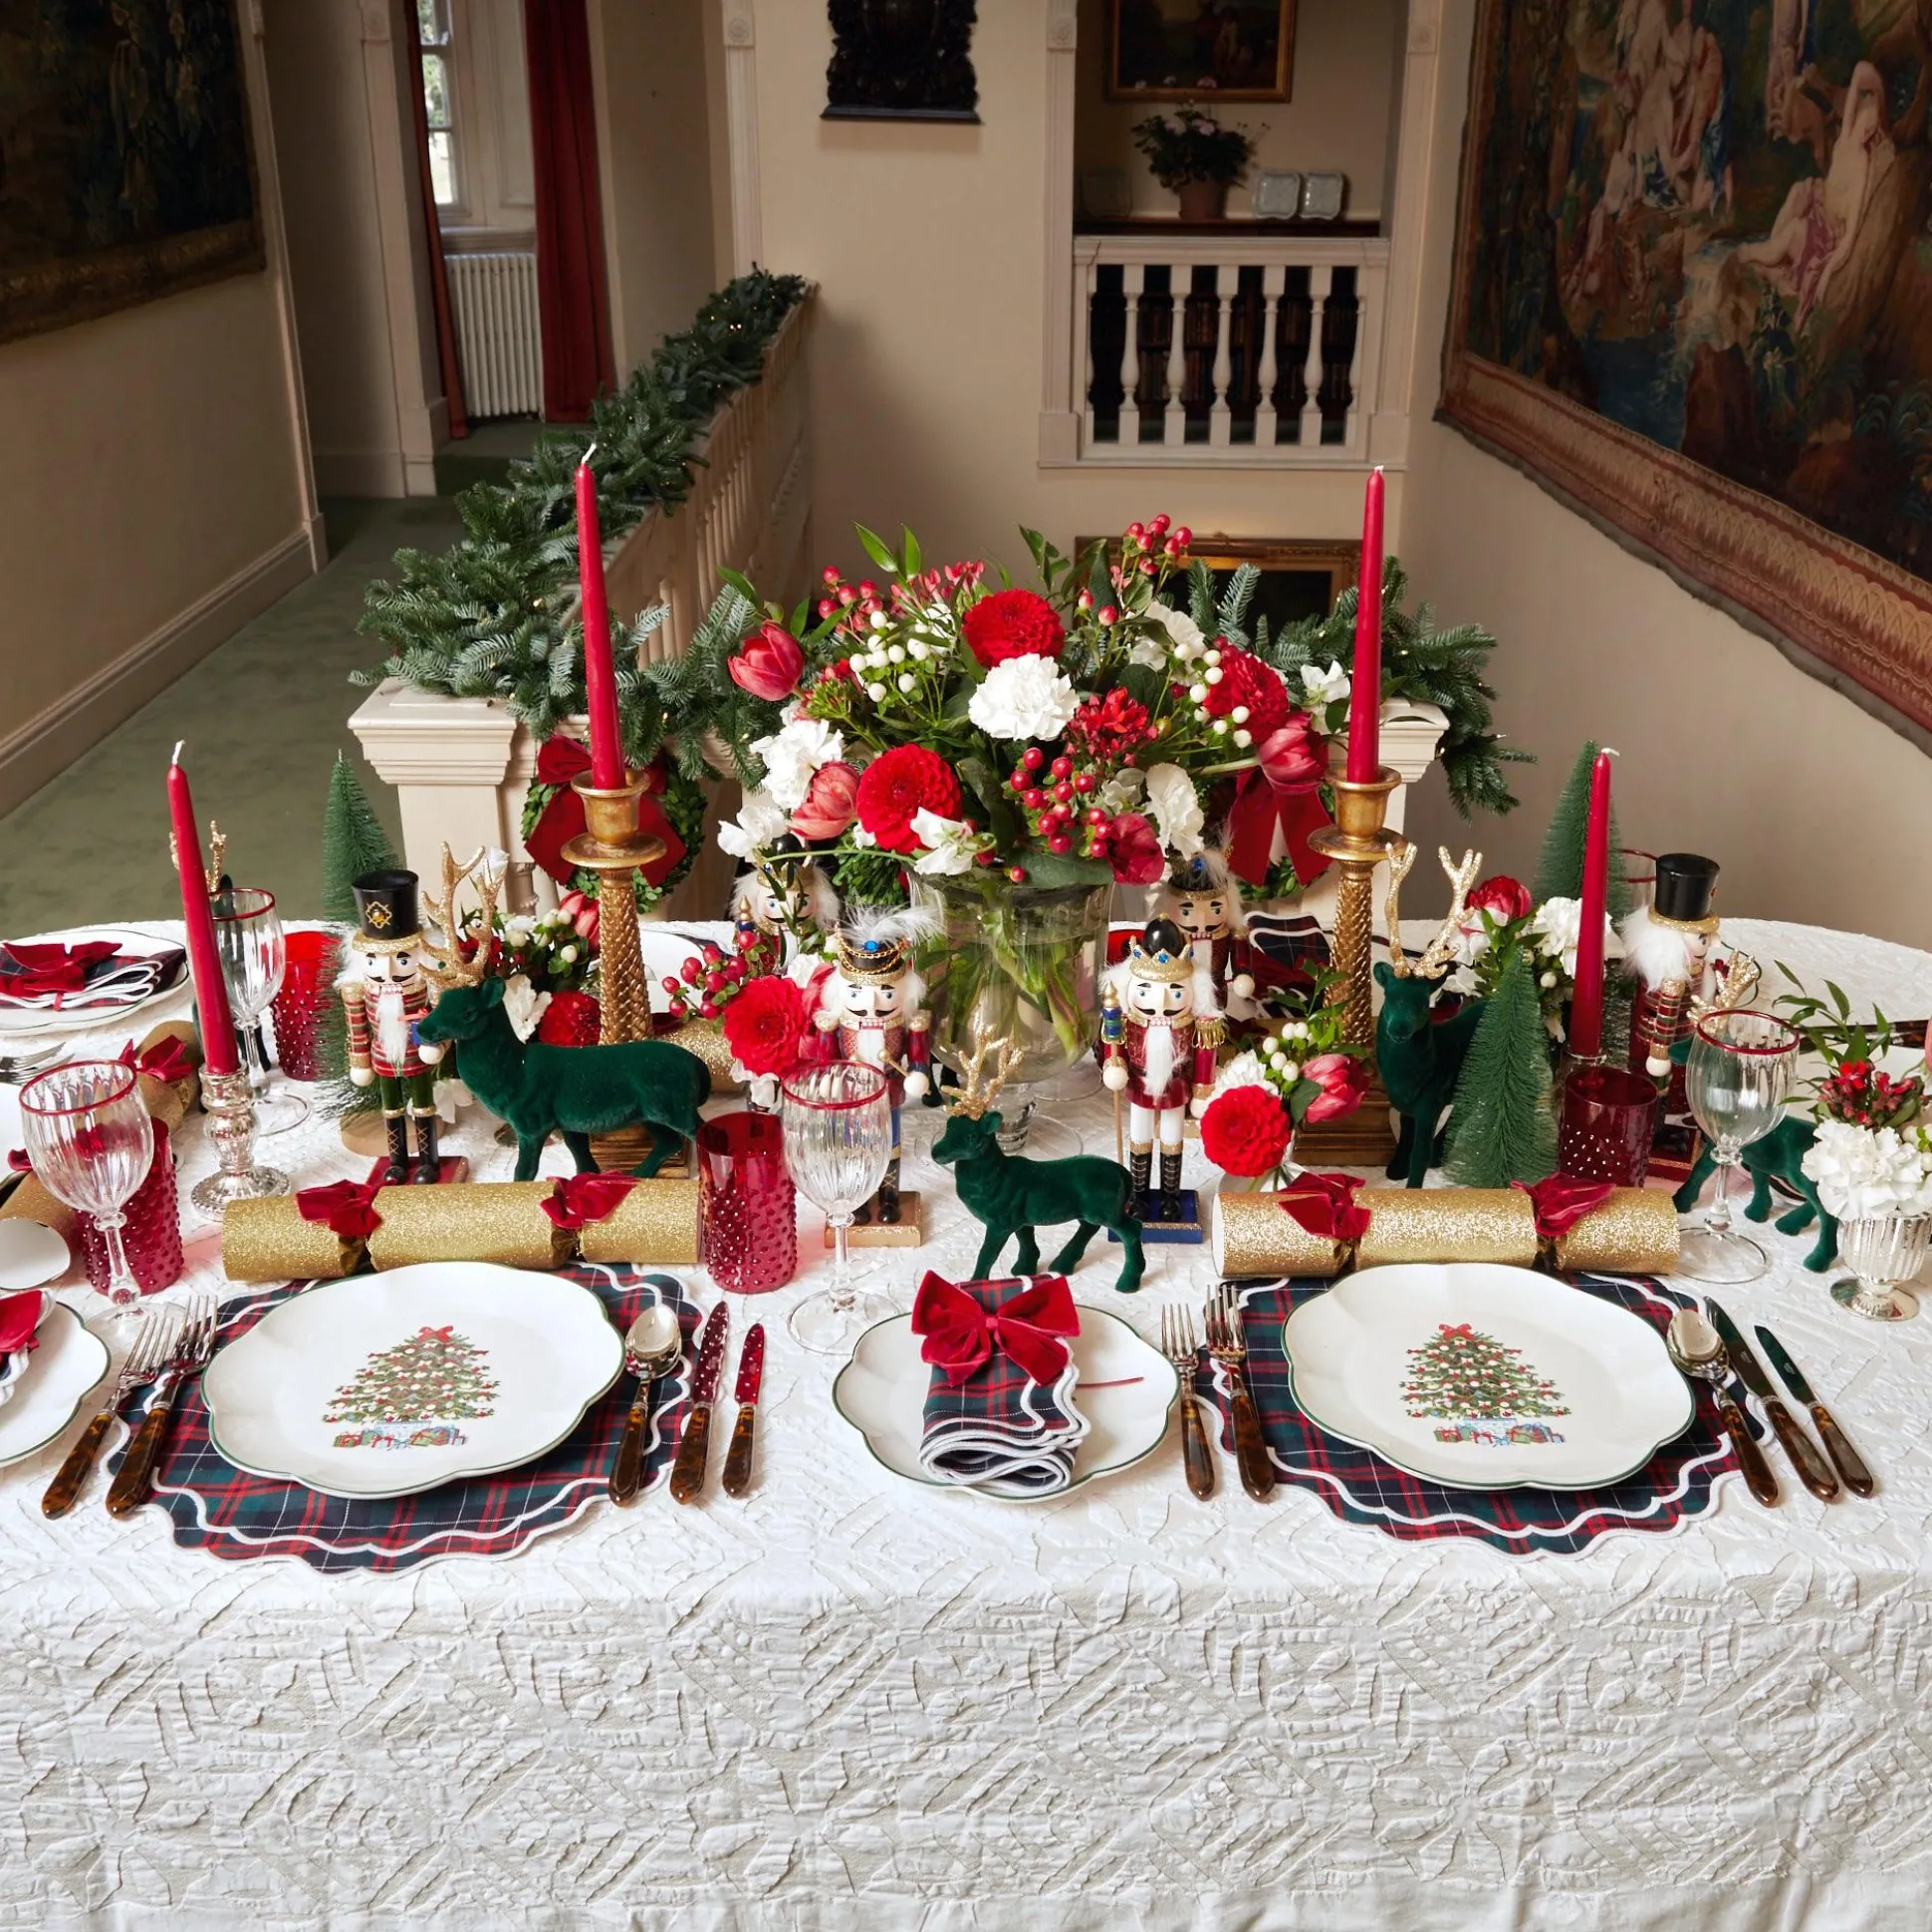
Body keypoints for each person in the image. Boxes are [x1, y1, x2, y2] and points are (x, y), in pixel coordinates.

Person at [1100, 917, 1222, 1219]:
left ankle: (1171, 1197)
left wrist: (1202, 1088)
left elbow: (1205, 1051)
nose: (1162, 1001)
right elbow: (1112, 1041)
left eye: (1176, 992)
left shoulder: (1197, 1022)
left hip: (1176, 1087)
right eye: (1147, 991)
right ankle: (1138, 1195)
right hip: (1140, 1085)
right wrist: (1114, 1063)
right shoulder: (1127, 1018)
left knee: (1172, 1139)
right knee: (1139, 1138)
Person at [339, 870, 447, 1184]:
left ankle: (429, 1161)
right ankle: (397, 1160)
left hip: (417, 1053)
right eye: (373, 960)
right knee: (391, 1108)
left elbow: (436, 1016)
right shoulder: (360, 991)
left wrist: (433, 1042)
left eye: (401, 959)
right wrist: (359, 1060)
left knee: (423, 1105)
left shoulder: (425, 988)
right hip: (383, 1056)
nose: (386, 970)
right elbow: (357, 1027)